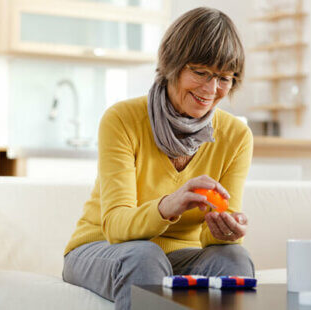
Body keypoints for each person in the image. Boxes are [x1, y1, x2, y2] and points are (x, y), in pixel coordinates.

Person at [62, 7, 254, 310]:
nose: (211, 89)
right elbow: (115, 225)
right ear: (171, 65)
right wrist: (168, 205)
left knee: (234, 258)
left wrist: (228, 230)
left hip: (180, 258)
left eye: (223, 78)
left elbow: (212, 237)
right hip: (102, 249)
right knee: (144, 256)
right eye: (200, 72)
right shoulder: (122, 119)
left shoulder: (236, 136)